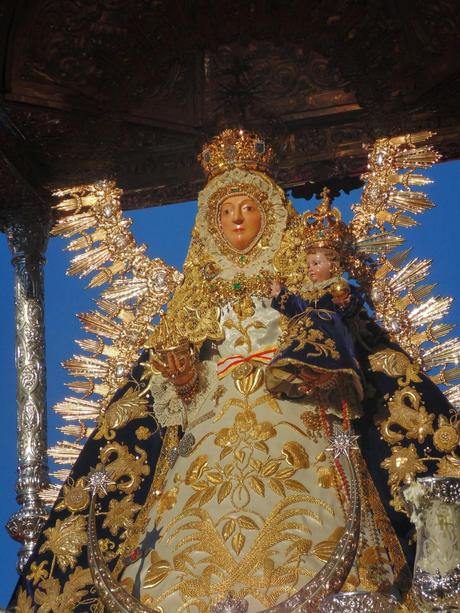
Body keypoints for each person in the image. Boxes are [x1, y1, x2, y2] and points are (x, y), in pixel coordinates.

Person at [9, 129, 459, 612]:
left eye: (246, 207)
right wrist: (181, 379)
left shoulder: (299, 292)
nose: (236, 219)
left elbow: (361, 357)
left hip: (299, 432)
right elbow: (163, 395)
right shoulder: (193, 306)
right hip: (206, 450)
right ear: (209, 223)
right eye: (225, 211)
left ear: (268, 212)